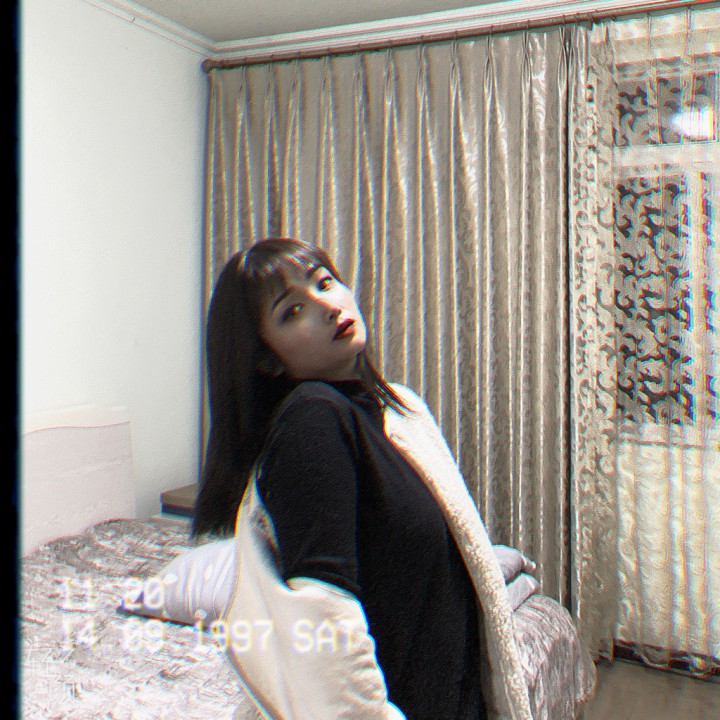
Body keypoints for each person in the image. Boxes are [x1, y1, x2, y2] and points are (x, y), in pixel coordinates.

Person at [193, 238, 532, 720]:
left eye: (324, 283)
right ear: (267, 359)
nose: (328, 306)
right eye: (292, 311)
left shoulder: (399, 410)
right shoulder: (312, 420)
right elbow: (323, 624)